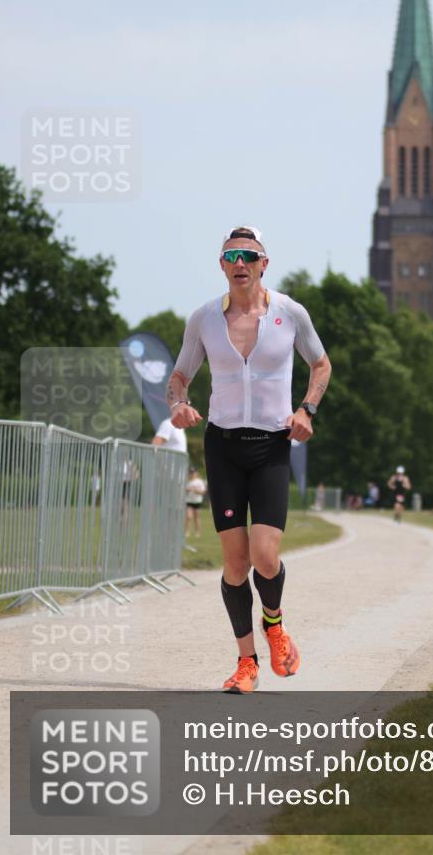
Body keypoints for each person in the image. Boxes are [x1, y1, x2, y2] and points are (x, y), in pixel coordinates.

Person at [167, 225, 331, 693]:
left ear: (264, 263)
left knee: (265, 556)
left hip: (271, 445)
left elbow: (321, 364)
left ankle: (275, 627)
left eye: (249, 255)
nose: (240, 263)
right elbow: (180, 374)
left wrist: (307, 409)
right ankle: (246, 663)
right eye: (231, 255)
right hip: (223, 446)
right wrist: (178, 403)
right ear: (221, 265)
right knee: (235, 564)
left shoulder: (290, 313)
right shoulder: (203, 319)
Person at [185, 466, 207, 539]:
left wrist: (195, 490)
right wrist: (187, 490)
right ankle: (187, 532)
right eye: (190, 473)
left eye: (193, 472)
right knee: (188, 517)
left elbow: (203, 492)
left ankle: (197, 532)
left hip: (197, 501)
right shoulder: (187, 481)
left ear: (196, 473)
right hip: (189, 501)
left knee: (196, 517)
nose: (191, 474)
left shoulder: (199, 481)